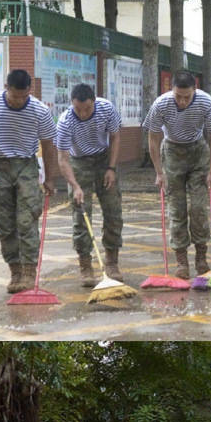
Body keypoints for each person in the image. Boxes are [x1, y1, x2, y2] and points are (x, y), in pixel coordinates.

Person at [0, 69, 58, 293]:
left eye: (23, 96)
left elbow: (49, 145)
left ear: (30, 91)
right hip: (0, 166)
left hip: (26, 166)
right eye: (14, 96)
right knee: (4, 223)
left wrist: (50, 178)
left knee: (26, 219)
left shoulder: (39, 110)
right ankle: (15, 271)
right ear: (6, 87)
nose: (19, 100)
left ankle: (29, 271)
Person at [142, 70, 211, 279]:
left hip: (198, 151)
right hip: (171, 151)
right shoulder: (161, 104)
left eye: (187, 97)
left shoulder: (206, 102)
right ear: (172, 91)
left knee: (198, 207)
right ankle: (181, 261)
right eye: (178, 96)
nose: (182, 101)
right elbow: (153, 138)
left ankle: (201, 257)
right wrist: (159, 172)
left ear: (194, 90)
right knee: (176, 209)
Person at [56, 84, 124, 287]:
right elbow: (63, 159)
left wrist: (111, 168)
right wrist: (75, 185)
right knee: (81, 214)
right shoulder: (65, 121)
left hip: (104, 159)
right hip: (79, 163)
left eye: (87, 108)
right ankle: (85, 265)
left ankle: (112, 262)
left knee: (113, 212)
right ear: (72, 104)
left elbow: (115, 136)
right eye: (78, 109)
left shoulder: (106, 109)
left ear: (94, 102)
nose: (83, 113)